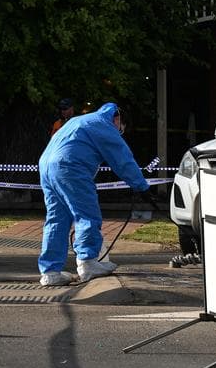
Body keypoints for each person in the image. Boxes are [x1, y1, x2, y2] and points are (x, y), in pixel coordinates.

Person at [37, 102, 149, 286]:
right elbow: (122, 159)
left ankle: (50, 272)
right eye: (120, 129)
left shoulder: (79, 120)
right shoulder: (103, 124)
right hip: (71, 167)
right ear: (117, 118)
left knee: (56, 219)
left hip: (47, 166)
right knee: (87, 214)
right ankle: (88, 263)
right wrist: (141, 186)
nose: (119, 132)